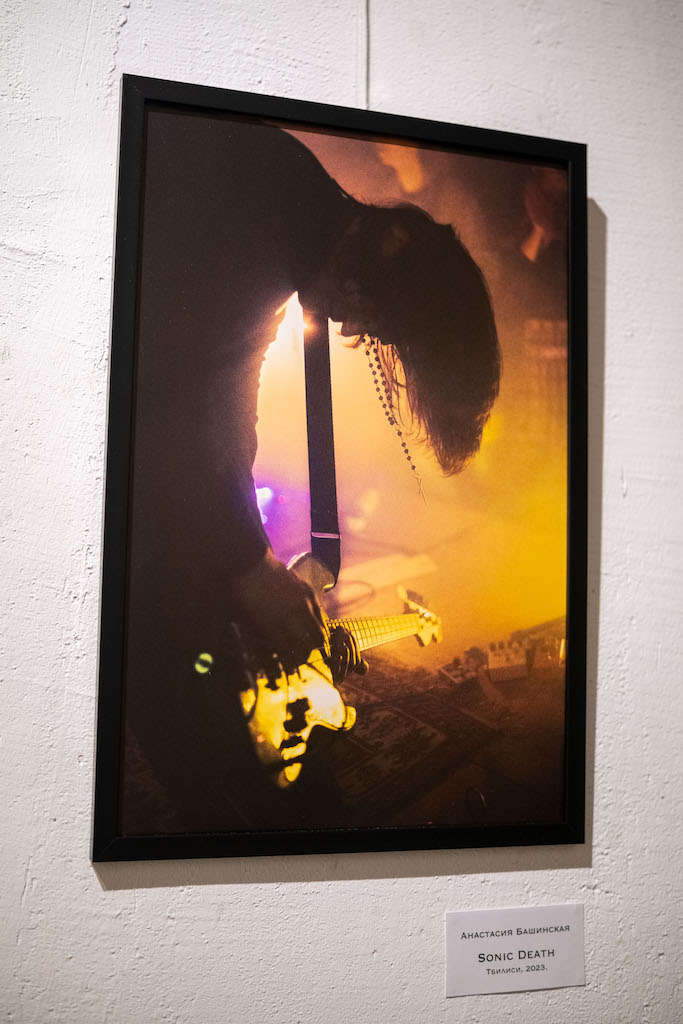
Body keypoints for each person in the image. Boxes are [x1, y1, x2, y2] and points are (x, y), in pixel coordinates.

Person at [121, 105, 500, 833]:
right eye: (372, 312)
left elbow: (226, 406)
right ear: (390, 243)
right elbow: (181, 418)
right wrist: (246, 562)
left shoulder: (288, 220)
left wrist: (252, 553)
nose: (354, 326)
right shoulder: (256, 225)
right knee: (177, 654)